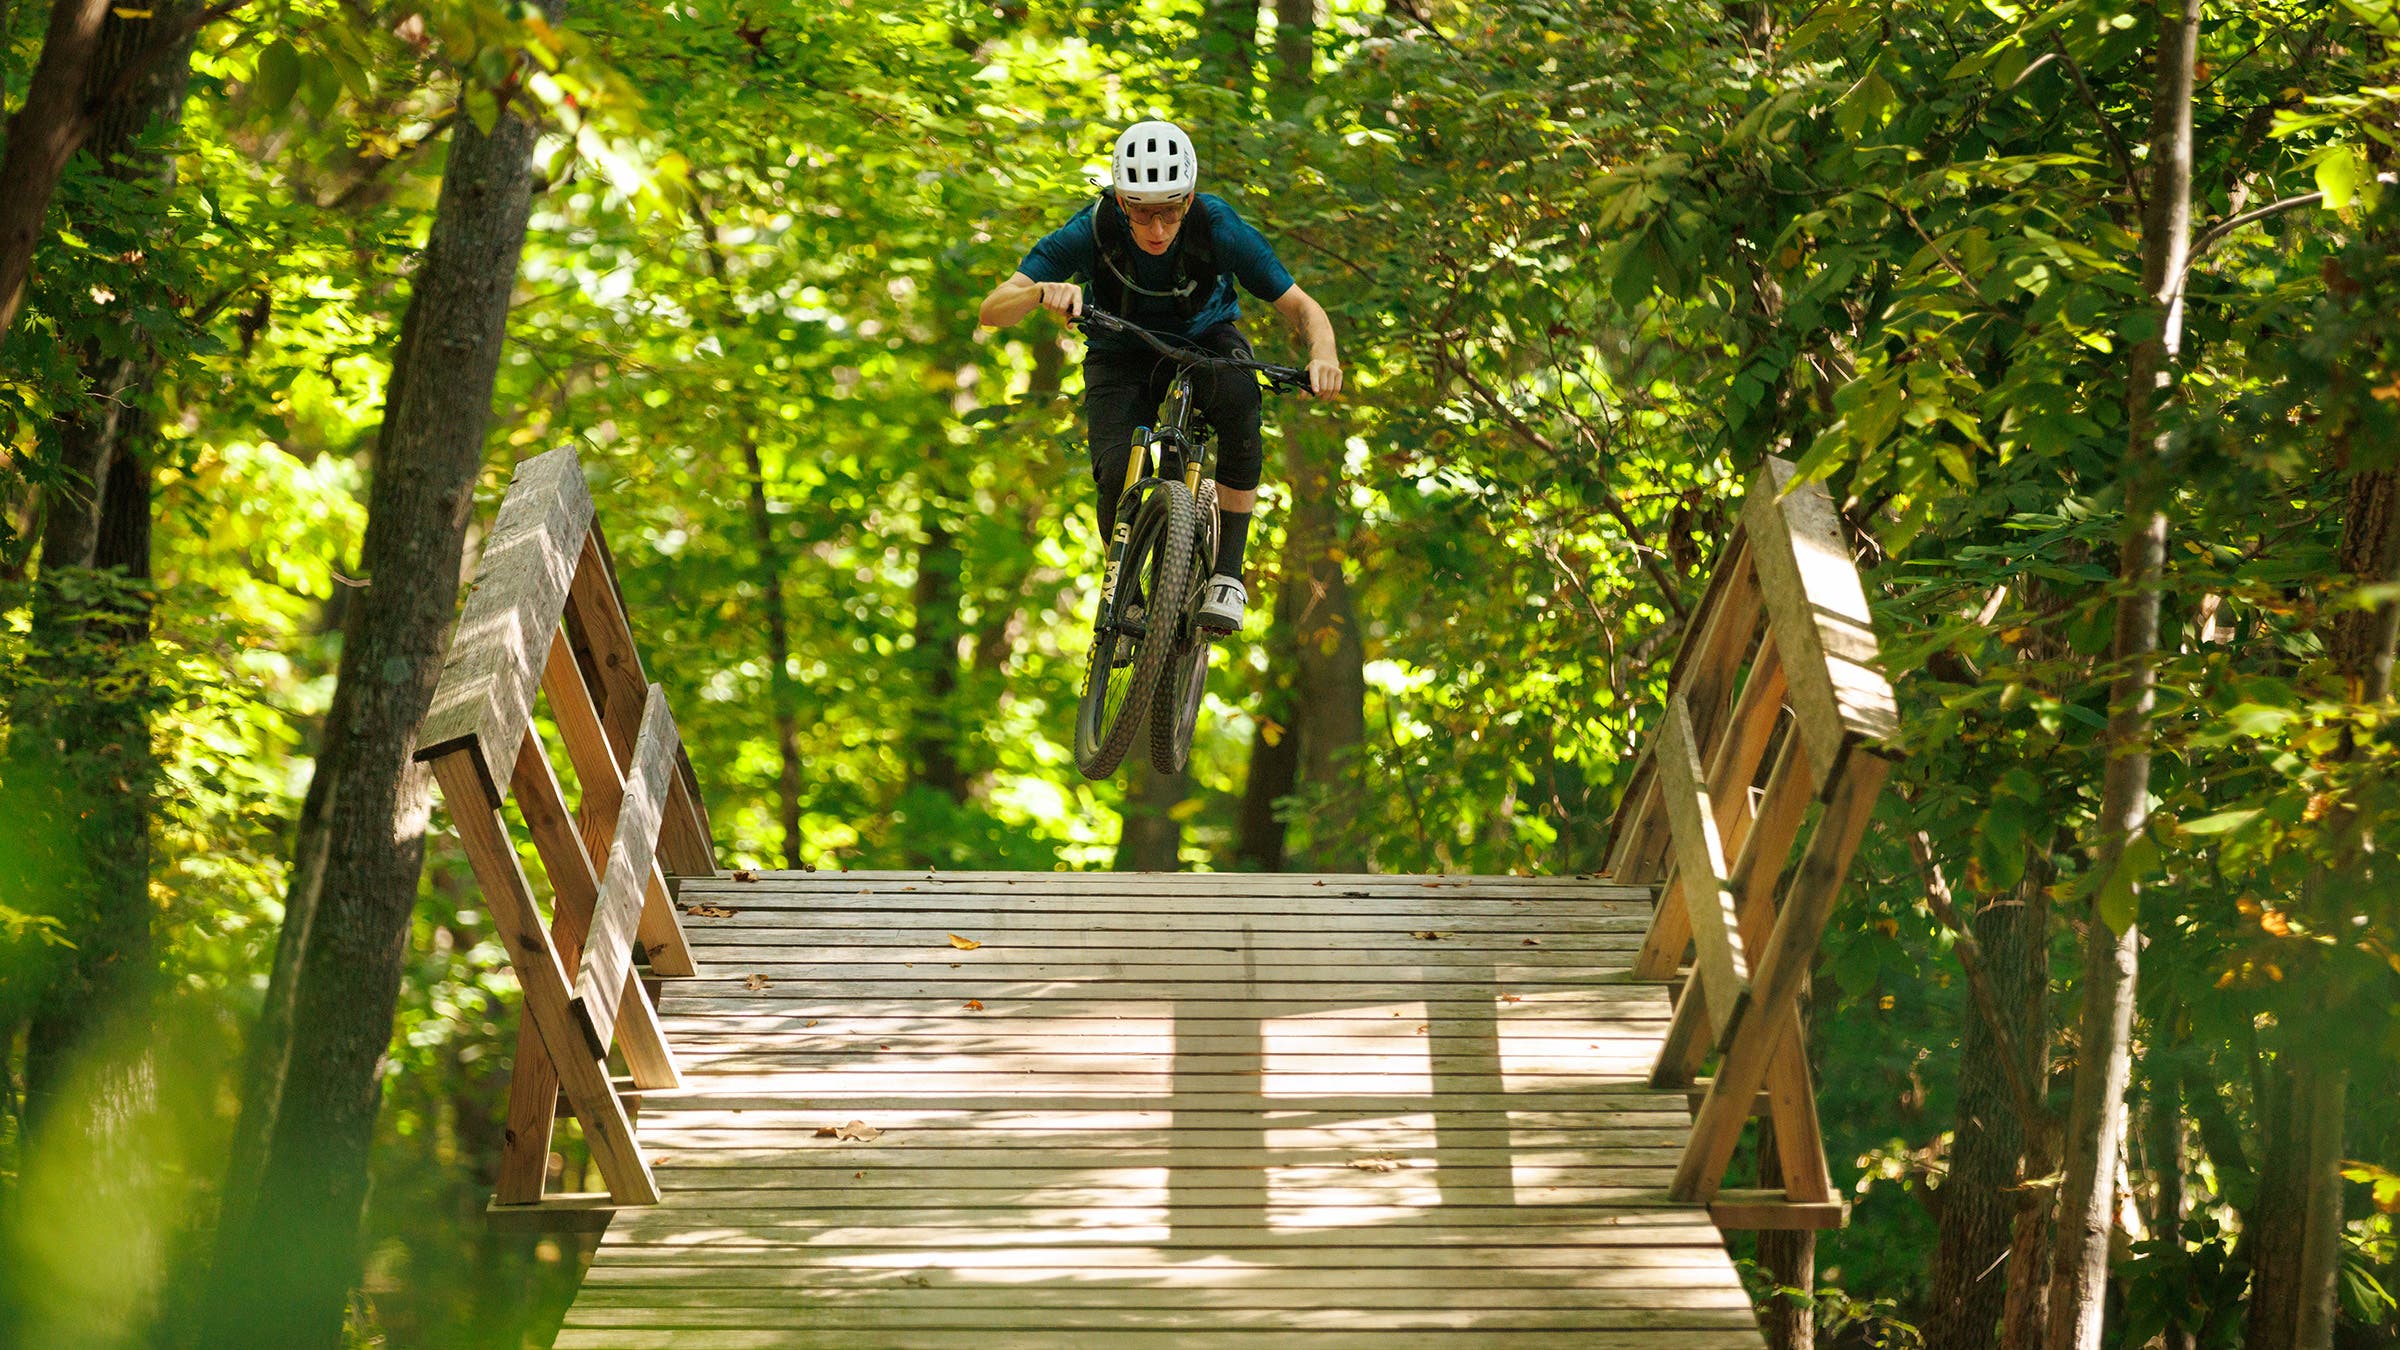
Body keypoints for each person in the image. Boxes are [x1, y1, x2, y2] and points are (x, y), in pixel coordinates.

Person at [976, 119, 1343, 633]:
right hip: (1119, 348)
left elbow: (1304, 307)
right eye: (1143, 213)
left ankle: (1227, 576)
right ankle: (1128, 594)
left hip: (1206, 339)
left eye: (1169, 213)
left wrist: (1323, 356)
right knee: (1112, 468)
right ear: (1121, 202)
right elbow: (992, 310)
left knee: (1241, 401)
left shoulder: (1218, 226)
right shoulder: (1092, 229)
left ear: (1189, 201)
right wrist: (1040, 293)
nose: (1157, 230)